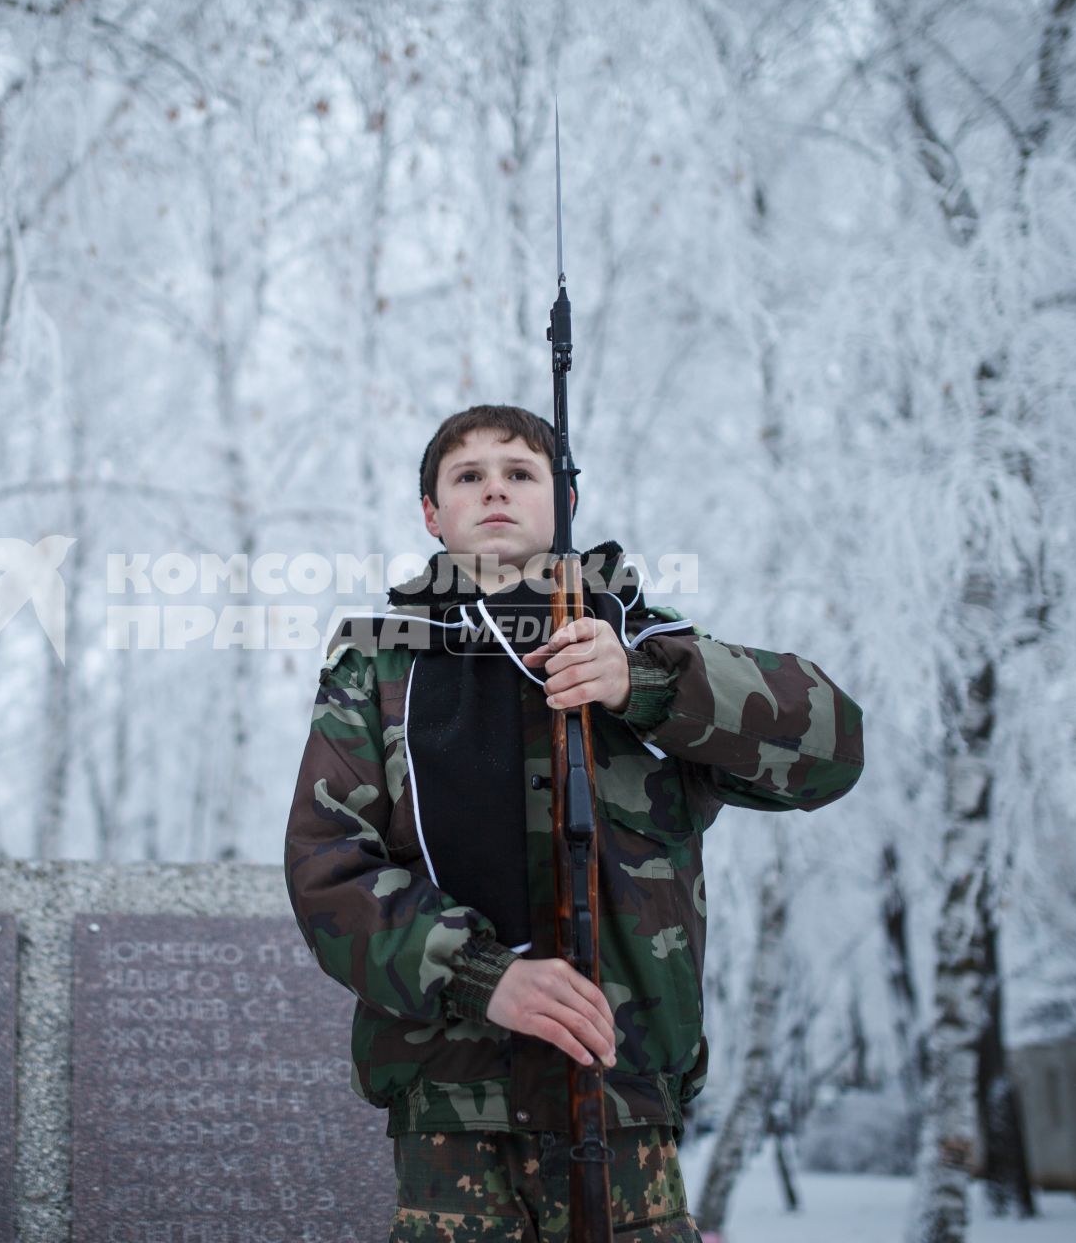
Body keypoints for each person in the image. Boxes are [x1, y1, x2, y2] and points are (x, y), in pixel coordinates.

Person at [283, 404, 866, 1241]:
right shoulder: (379, 665)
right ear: (431, 513)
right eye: (468, 476)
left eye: (521, 473)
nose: (495, 491)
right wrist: (485, 977)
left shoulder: (639, 643)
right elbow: (327, 868)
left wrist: (648, 689)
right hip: (453, 1107)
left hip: (623, 1094)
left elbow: (832, 751)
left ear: (561, 500)